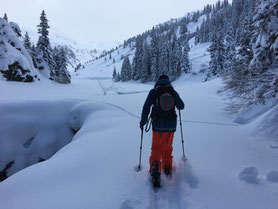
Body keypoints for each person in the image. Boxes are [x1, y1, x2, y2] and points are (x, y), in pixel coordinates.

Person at [140, 75, 184, 184]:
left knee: (156, 148)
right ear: (168, 81)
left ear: (158, 81)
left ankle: (155, 170)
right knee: (167, 147)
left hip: (158, 126)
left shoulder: (153, 92)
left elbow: (146, 107)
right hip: (171, 126)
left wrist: (143, 122)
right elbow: (181, 106)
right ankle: (167, 167)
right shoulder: (172, 91)